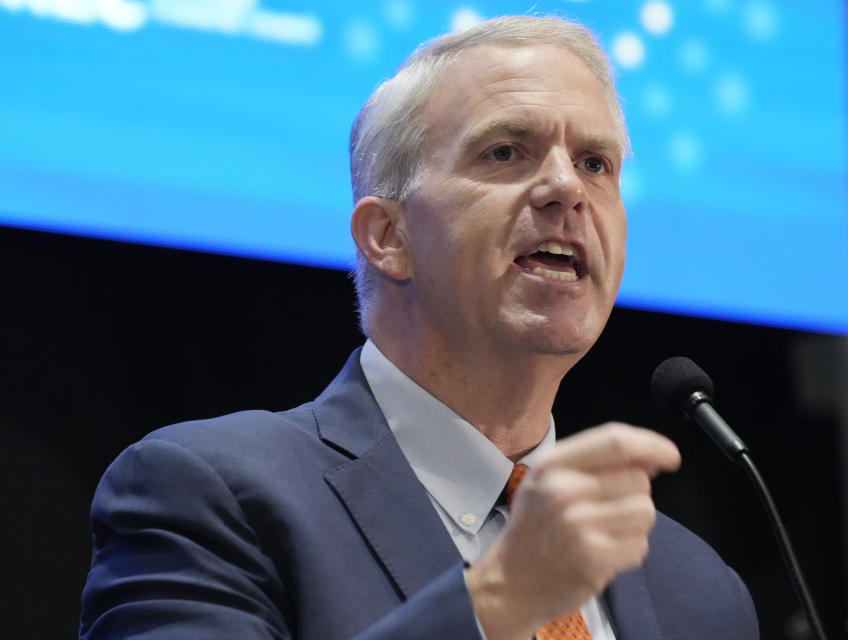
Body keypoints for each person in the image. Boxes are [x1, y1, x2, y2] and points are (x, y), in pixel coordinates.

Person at [80, 15, 759, 640]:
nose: (566, 188)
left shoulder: (696, 590)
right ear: (388, 236)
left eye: (595, 163)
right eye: (505, 152)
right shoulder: (208, 495)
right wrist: (496, 601)